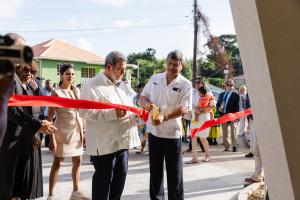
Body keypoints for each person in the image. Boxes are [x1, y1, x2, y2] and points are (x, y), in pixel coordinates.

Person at [80, 51, 136, 200]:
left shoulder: (122, 86)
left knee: (119, 183)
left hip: (123, 143)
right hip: (104, 145)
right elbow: (85, 113)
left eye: (124, 70)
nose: (122, 73)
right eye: (120, 69)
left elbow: (129, 108)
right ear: (109, 67)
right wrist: (112, 113)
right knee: (103, 185)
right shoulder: (91, 85)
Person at [139, 50, 192, 200]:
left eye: (176, 64)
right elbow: (142, 97)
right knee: (155, 174)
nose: (172, 67)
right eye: (170, 63)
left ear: (181, 66)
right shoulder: (155, 78)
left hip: (172, 135)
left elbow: (184, 108)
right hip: (154, 133)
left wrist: (165, 117)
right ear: (166, 63)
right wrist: (148, 106)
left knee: (175, 174)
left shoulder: (185, 84)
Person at [47, 63, 88, 200]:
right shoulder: (56, 92)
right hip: (61, 132)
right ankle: (51, 195)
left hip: (77, 131)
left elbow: (82, 113)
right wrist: (52, 137)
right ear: (61, 75)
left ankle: (75, 192)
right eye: (67, 74)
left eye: (72, 74)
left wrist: (85, 131)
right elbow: (49, 117)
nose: (70, 76)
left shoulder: (76, 90)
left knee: (78, 161)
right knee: (57, 162)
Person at [186, 86, 215, 164]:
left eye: (199, 83)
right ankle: (194, 158)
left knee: (202, 138)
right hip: (194, 118)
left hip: (204, 118)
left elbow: (212, 106)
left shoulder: (209, 94)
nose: (197, 84)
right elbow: (190, 105)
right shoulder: (192, 93)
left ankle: (208, 155)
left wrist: (203, 110)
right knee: (193, 137)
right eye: (196, 83)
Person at [216, 79, 240, 152]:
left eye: (231, 85)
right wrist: (219, 109)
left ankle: (234, 146)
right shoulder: (221, 94)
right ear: (225, 86)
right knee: (225, 132)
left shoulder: (236, 95)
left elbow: (238, 106)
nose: (229, 86)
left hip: (233, 115)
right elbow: (217, 104)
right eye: (228, 85)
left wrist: (236, 117)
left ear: (233, 86)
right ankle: (227, 146)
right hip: (223, 115)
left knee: (233, 130)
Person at [133, 83, 147, 154]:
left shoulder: (148, 95)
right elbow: (133, 106)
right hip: (140, 118)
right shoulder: (136, 97)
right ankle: (142, 148)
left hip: (148, 117)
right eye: (142, 87)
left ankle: (151, 149)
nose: (143, 89)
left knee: (149, 133)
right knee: (141, 133)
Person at [40, 79, 54, 147]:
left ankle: (49, 143)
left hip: (51, 114)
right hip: (43, 113)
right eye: (47, 83)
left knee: (50, 129)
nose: (49, 85)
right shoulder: (42, 91)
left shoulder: (54, 91)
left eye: (50, 83)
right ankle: (41, 143)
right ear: (45, 84)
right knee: (43, 129)